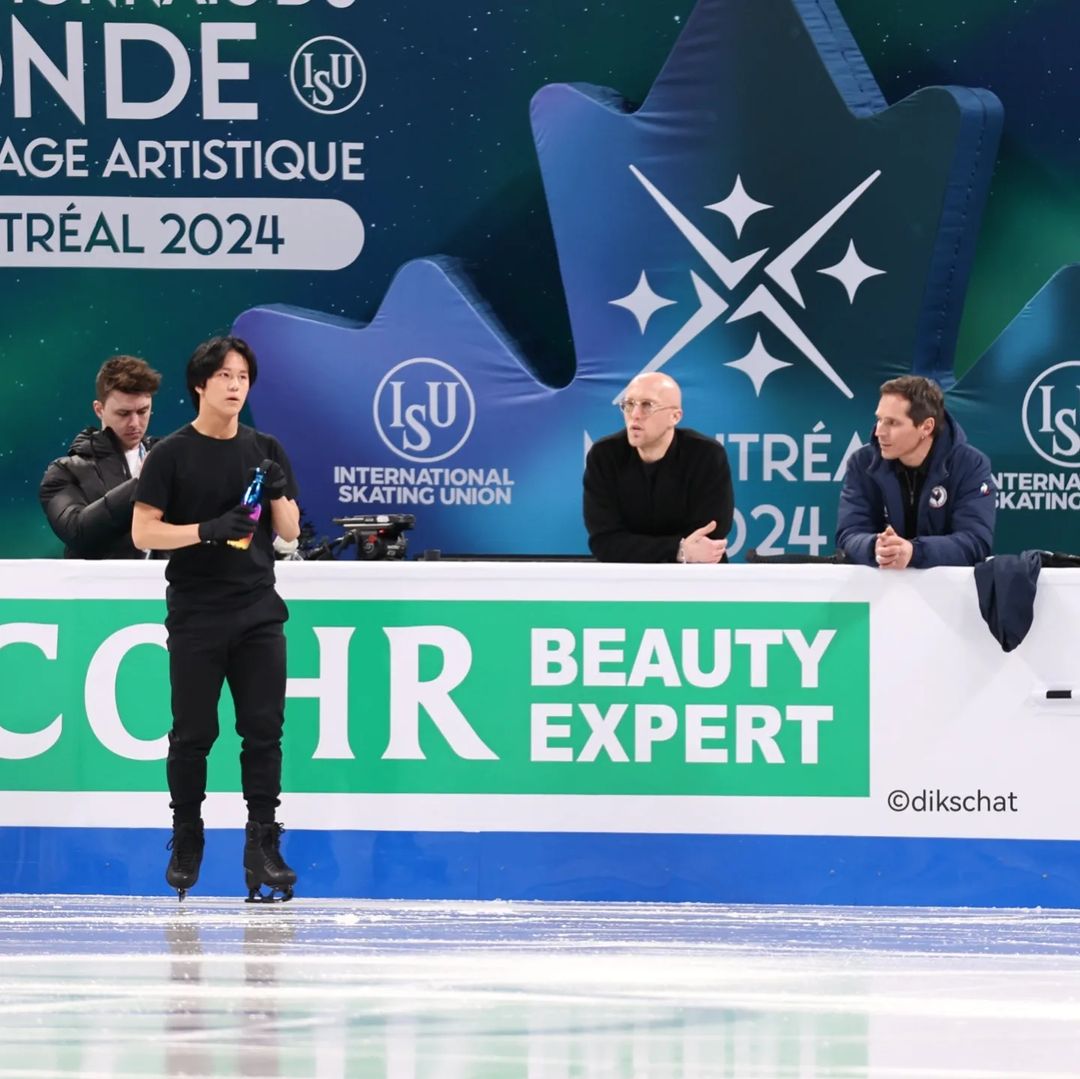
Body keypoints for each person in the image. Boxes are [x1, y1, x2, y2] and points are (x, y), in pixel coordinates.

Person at [132, 335, 301, 902]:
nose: (235, 386)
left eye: (243, 377)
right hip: (197, 613)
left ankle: (263, 839)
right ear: (200, 385)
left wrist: (277, 492)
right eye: (225, 376)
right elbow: (143, 531)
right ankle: (187, 834)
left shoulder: (265, 447)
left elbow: (291, 532)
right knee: (194, 734)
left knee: (264, 731)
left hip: (258, 611)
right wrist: (204, 531)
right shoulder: (172, 454)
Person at [835, 375, 995, 569]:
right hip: (876, 590)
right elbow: (849, 534)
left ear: (926, 427)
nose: (879, 432)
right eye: (879, 419)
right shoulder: (862, 463)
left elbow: (975, 543)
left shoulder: (970, 465)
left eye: (892, 423)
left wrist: (914, 552)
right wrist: (875, 547)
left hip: (946, 592)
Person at [583, 372, 734, 563]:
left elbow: (706, 541)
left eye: (647, 405)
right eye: (629, 405)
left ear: (675, 417)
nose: (635, 415)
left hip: (696, 579)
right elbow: (604, 542)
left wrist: (638, 547)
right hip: (626, 581)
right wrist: (679, 550)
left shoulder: (707, 455)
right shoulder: (604, 455)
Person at [39, 355, 162, 558]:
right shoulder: (63, 472)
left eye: (143, 411)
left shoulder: (172, 457)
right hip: (101, 589)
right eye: (123, 413)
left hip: (168, 587)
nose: (135, 423)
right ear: (99, 409)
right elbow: (77, 533)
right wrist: (142, 482)